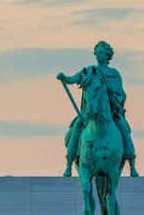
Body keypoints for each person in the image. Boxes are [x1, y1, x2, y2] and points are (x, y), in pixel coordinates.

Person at [57, 41, 138, 177]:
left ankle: (132, 163)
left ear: (107, 55)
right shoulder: (89, 71)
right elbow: (74, 79)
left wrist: (117, 103)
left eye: (101, 52)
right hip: (90, 112)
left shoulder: (114, 74)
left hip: (111, 112)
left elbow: (121, 93)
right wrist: (65, 78)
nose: (98, 54)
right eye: (96, 52)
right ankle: (69, 163)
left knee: (124, 128)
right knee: (77, 126)